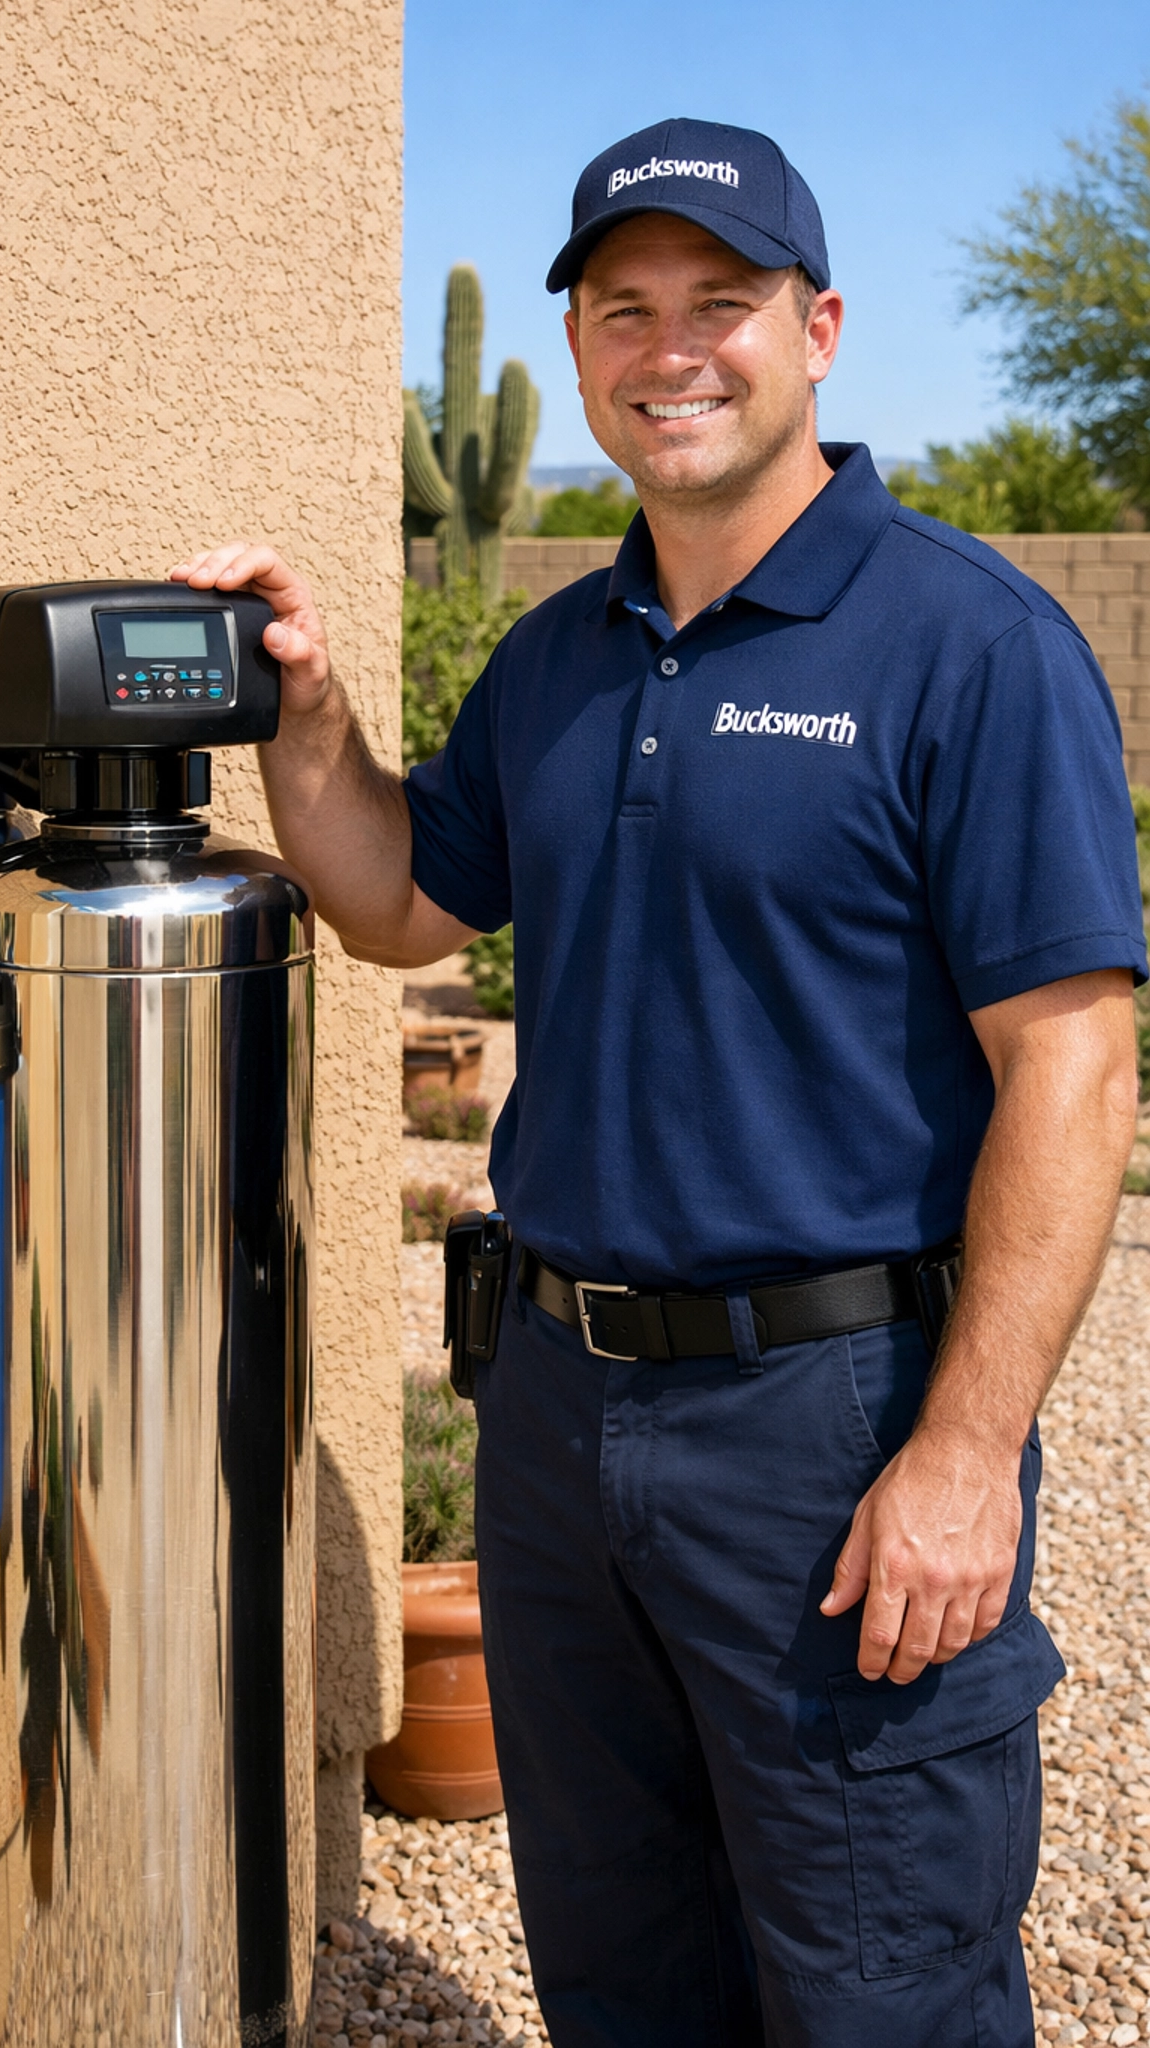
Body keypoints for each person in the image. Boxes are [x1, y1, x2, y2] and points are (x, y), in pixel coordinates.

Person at [173, 117, 1147, 2047]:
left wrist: (962, 1461)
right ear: (583, 352)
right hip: (556, 1418)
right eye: (627, 310)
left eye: (724, 304)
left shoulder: (970, 646)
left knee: (878, 1990)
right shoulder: (558, 661)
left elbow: (1074, 1060)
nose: (672, 349)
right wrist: (312, 721)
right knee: (622, 1973)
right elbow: (394, 898)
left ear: (822, 330)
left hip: (833, 1427)